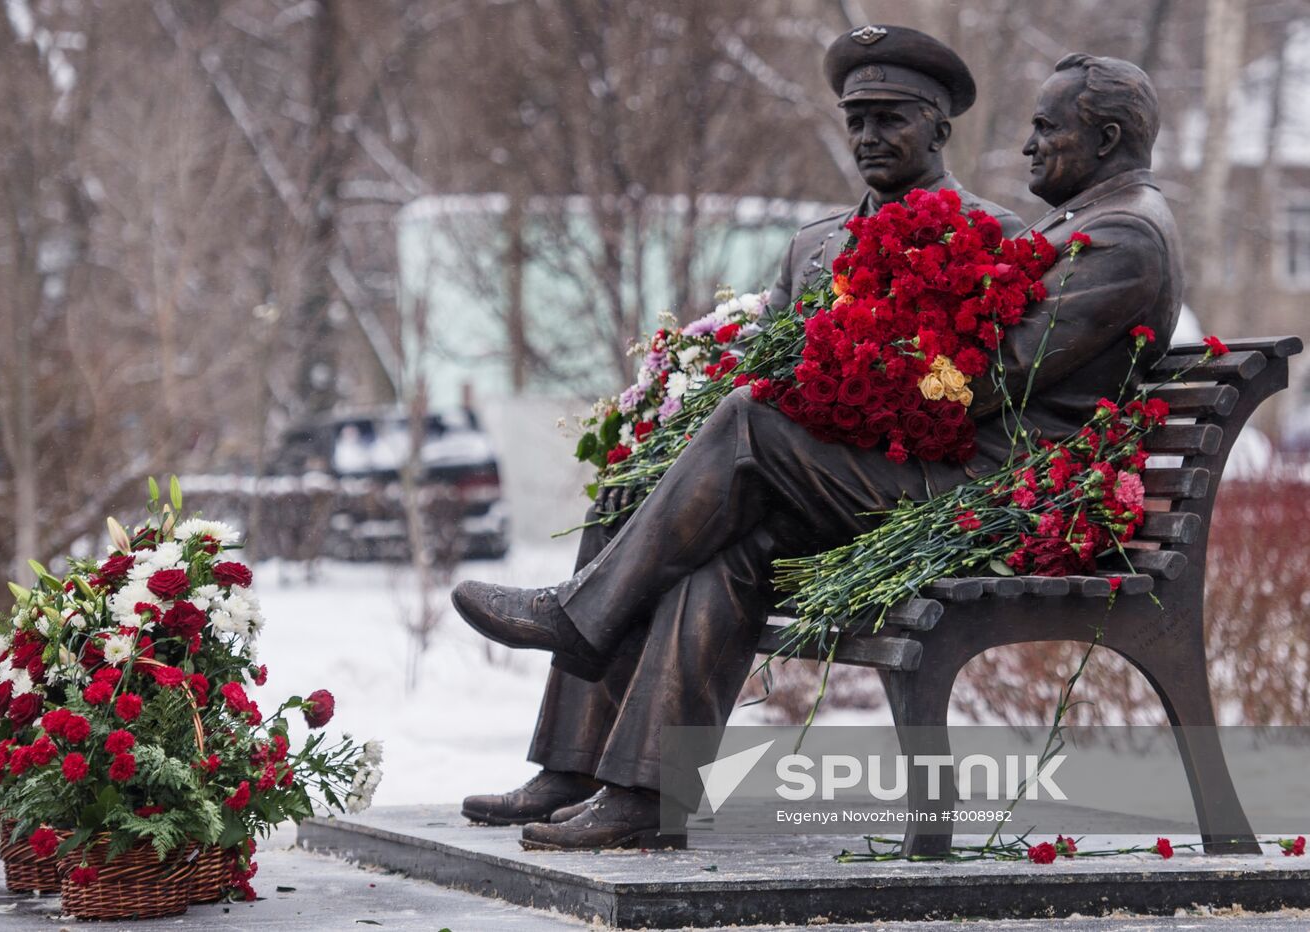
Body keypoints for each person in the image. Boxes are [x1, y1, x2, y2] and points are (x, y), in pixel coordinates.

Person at [460, 49, 1181, 853]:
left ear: (1107, 135)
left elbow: (993, 375)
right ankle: (634, 790)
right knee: (694, 515)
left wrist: (851, 372)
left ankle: (581, 616)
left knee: (748, 423)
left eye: (1046, 129)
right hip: (951, 465)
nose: (1029, 148)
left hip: (989, 490)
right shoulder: (1090, 221)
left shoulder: (1122, 234)